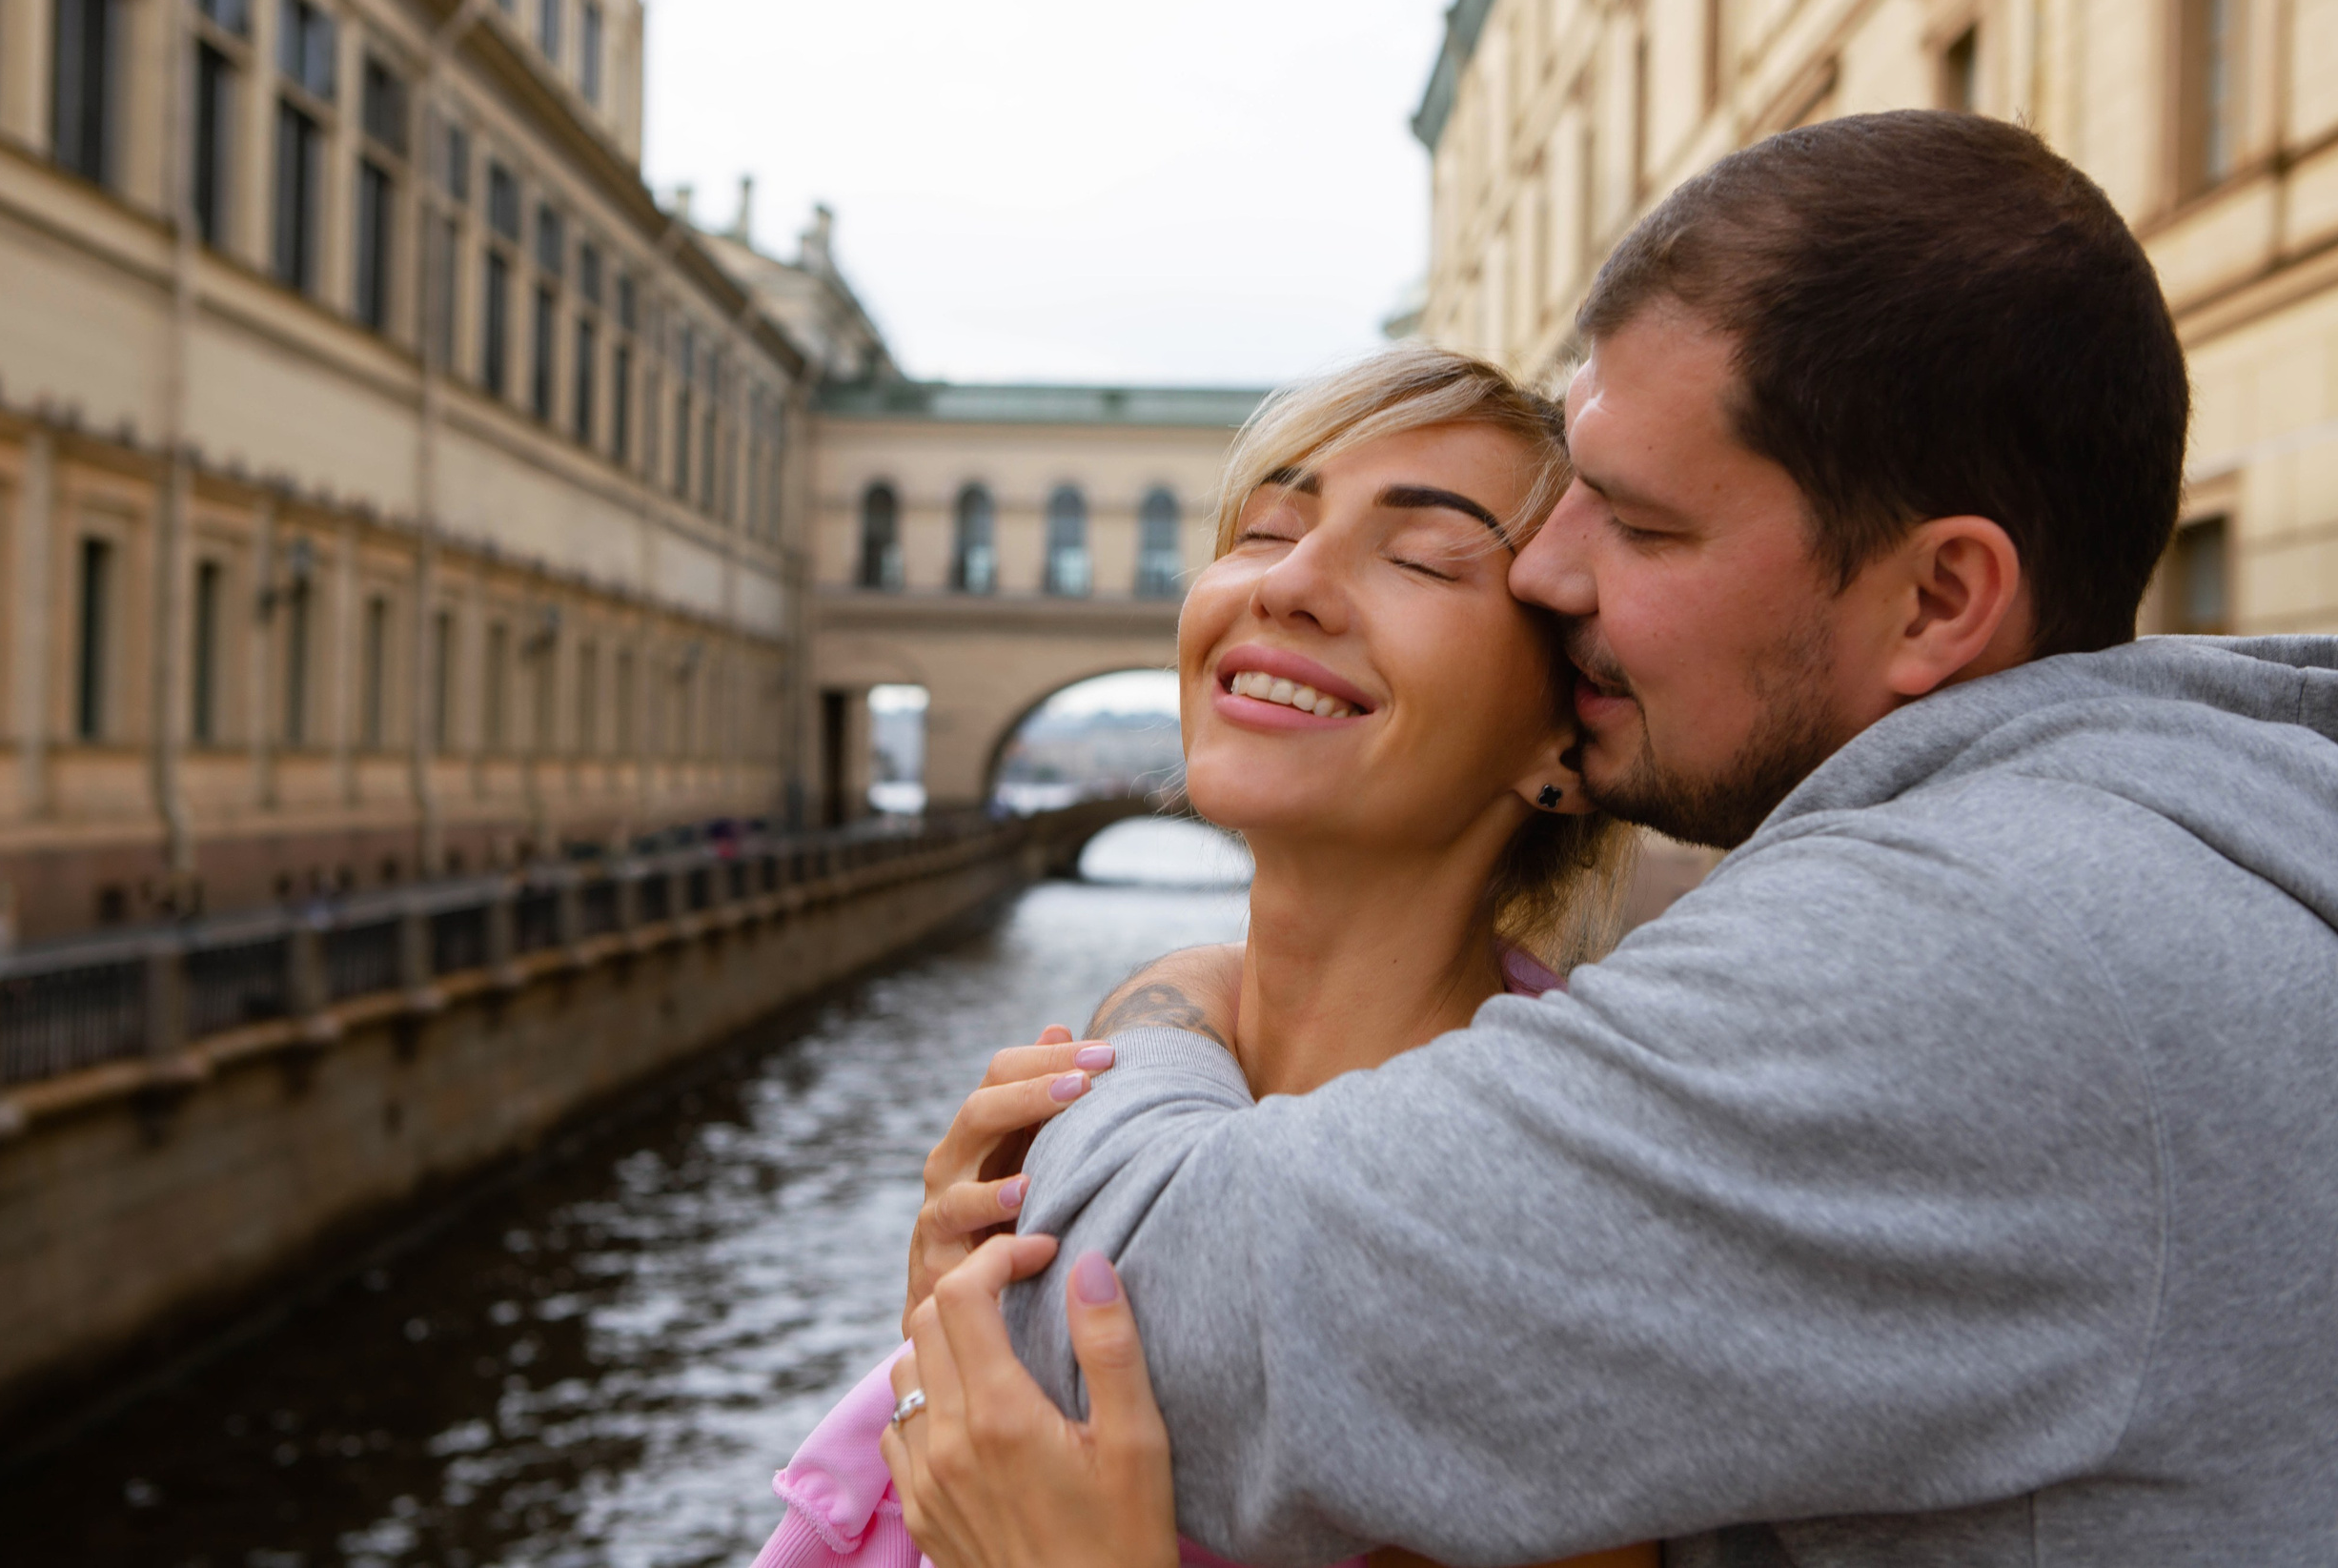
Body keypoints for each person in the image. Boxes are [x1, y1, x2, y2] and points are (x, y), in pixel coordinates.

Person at [878, 110, 2338, 1567]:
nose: (1554, 568)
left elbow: (1126, 1325)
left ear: (1939, 599)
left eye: (1640, 524)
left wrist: (1159, 1008)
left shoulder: (1980, 944)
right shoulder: (2168, 838)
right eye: (1265, 527)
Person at [757, 348, 1659, 1568]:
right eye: (1266, 527)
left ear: (1565, 722)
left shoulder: (1559, 1229)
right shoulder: (1114, 1094)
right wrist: (957, 1356)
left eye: (1419, 558)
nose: (1288, 584)